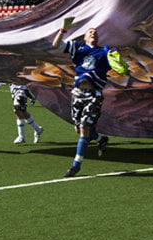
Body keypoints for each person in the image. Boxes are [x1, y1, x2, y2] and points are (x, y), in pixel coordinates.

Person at [52, 20, 128, 177]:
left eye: (95, 32)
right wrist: (63, 29)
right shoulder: (78, 48)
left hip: (94, 95)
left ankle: (75, 165)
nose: (93, 32)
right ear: (85, 37)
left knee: (84, 129)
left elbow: (121, 69)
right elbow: (56, 45)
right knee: (79, 129)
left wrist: (118, 60)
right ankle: (100, 139)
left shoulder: (104, 51)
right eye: (90, 31)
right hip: (77, 94)